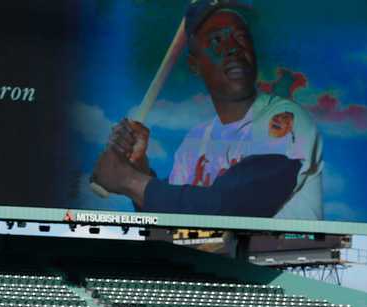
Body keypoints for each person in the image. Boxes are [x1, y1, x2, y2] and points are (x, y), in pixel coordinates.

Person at [93, 0, 322, 218]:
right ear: (195, 65)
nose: (233, 47)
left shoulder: (287, 118)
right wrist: (140, 169)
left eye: (241, 37)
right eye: (217, 40)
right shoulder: (194, 141)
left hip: (275, 257)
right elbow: (173, 223)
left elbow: (234, 207)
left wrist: (128, 180)